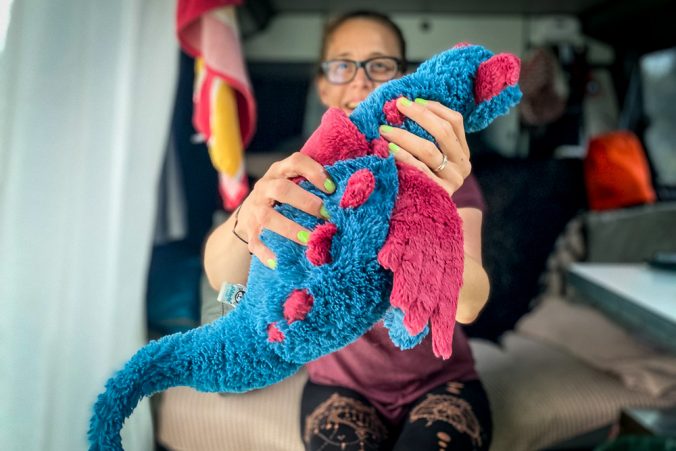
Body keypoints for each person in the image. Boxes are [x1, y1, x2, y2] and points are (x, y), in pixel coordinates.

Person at [203, 10, 492, 451]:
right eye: (342, 65)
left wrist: (431, 209)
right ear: (323, 85)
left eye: (379, 65)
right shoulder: (297, 177)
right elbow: (221, 278)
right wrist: (247, 217)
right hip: (336, 385)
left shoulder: (445, 174)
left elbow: (469, 306)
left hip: (442, 381)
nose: (361, 81)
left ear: (403, 78)